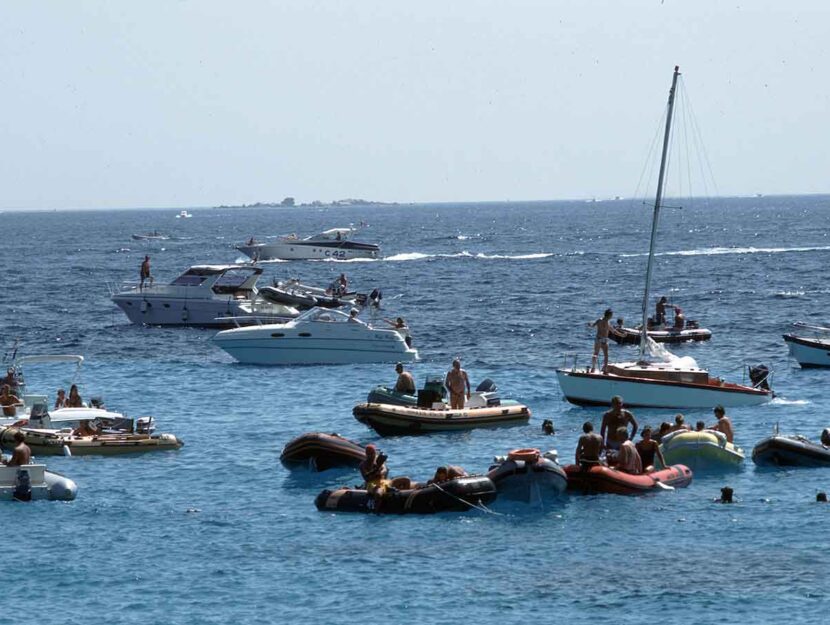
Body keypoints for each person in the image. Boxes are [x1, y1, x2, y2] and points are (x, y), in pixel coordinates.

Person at [588, 308, 622, 374]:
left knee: (595, 354)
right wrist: (622, 335)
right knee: (606, 355)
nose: (612, 316)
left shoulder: (599, 320)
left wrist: (590, 324)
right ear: (609, 315)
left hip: (598, 339)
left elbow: (593, 325)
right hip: (604, 340)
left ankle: (593, 368)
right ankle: (605, 370)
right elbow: (613, 331)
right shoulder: (607, 322)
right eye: (611, 315)